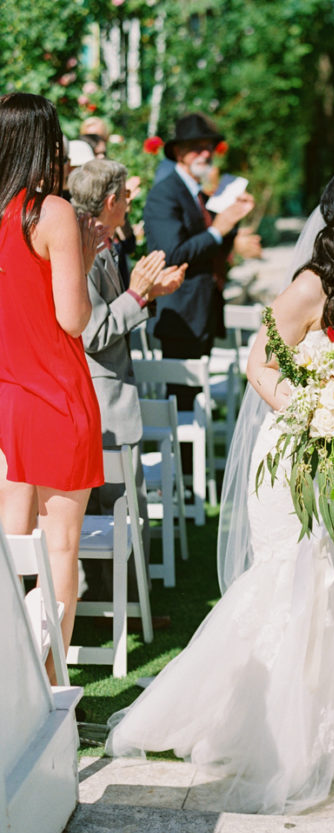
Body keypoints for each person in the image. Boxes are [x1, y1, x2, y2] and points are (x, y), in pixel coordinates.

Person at [106, 163, 334, 813]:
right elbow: (260, 362)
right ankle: (268, 729)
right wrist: (315, 414)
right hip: (297, 452)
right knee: (290, 580)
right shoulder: (314, 284)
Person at [0, 92, 105, 682]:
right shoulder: (51, 212)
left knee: (7, 549)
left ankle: (7, 683)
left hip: (5, 394)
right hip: (56, 395)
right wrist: (84, 260)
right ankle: (49, 683)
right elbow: (73, 317)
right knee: (59, 549)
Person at [69, 159, 186, 596]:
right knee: (117, 504)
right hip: (101, 400)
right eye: (126, 194)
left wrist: (151, 293)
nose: (131, 200)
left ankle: (122, 600)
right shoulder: (81, 250)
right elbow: (93, 332)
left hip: (109, 398)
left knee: (119, 503)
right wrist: (138, 294)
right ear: (112, 200)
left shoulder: (107, 243)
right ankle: (120, 605)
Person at [143, 112, 258, 364]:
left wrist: (234, 222)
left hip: (202, 311)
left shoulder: (197, 193)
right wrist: (218, 229)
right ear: (179, 152)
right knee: (182, 399)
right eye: (196, 148)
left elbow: (210, 242)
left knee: (197, 398)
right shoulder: (166, 193)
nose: (206, 154)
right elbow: (171, 254)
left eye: (209, 147)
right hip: (180, 316)